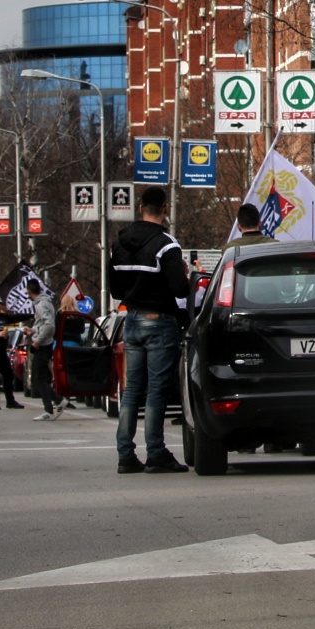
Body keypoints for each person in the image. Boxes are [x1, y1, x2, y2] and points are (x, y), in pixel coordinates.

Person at [109, 185, 189, 473]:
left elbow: (115, 289)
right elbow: (180, 289)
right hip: (159, 320)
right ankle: (155, 452)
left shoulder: (119, 244)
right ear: (165, 209)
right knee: (157, 389)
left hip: (131, 319)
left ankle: (125, 454)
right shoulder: (167, 245)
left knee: (132, 389)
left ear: (140, 207)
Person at [25, 275, 59, 419]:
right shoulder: (45, 303)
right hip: (45, 343)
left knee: (38, 379)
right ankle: (55, 403)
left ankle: (52, 407)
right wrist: (33, 331)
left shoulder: (41, 305)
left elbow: (49, 325)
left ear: (29, 291)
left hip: (43, 345)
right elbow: (43, 324)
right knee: (40, 378)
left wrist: (37, 341)